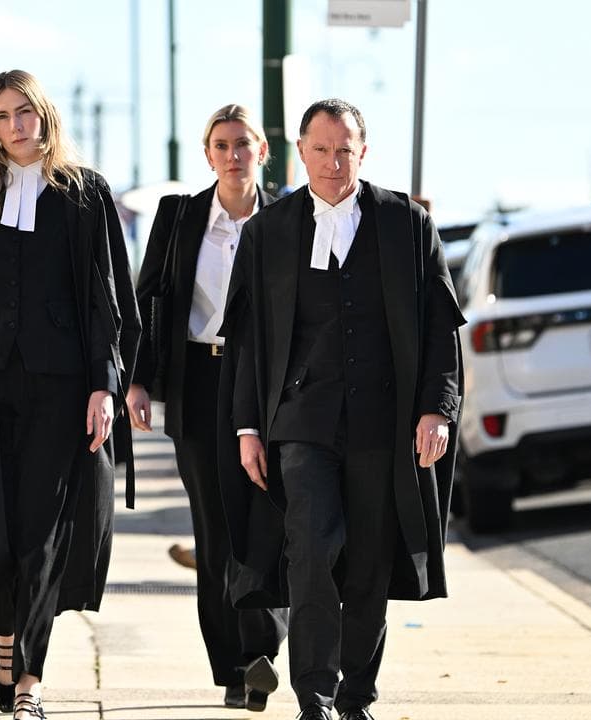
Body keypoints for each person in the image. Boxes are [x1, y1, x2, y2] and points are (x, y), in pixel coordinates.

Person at [219, 98, 464, 720]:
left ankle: (356, 695)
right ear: (299, 151)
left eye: (344, 150)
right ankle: (316, 696)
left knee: (370, 563)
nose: (333, 163)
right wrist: (248, 426)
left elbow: (441, 327)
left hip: (384, 422)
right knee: (311, 549)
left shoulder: (405, 223)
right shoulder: (267, 232)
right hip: (301, 421)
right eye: (321, 150)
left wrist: (437, 409)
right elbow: (246, 340)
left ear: (364, 151)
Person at [0, 69, 140, 720]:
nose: (15, 125)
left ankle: (29, 684)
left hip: (60, 388)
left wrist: (105, 384)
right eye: (2, 115)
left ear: (45, 116)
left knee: (42, 535)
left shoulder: (84, 193)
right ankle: (6, 636)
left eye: (24, 113)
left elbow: (108, 301)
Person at [127, 104, 289, 712]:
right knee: (215, 529)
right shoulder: (180, 215)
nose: (232, 154)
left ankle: (262, 650)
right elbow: (151, 300)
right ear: (208, 153)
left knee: (266, 519)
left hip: (267, 384)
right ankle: (235, 666)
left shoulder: (288, 218)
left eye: (243, 143)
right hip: (199, 378)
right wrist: (139, 381)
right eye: (221, 144)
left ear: (263, 151)